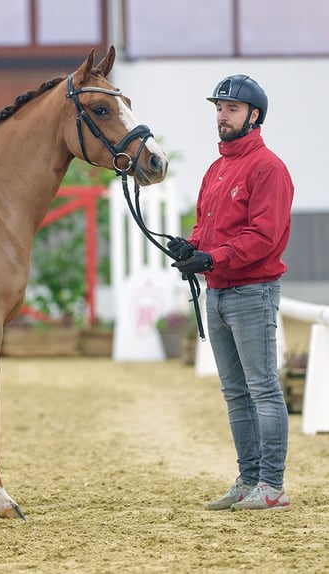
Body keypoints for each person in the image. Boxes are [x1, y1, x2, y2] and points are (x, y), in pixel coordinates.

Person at [168, 75, 294, 511]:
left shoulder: (268, 168)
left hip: (252, 292)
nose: (222, 116)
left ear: (253, 116)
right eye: (219, 108)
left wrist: (213, 258)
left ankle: (272, 486)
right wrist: (192, 246)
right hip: (219, 293)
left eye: (231, 109)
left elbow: (264, 236)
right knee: (236, 393)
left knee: (262, 389)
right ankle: (249, 479)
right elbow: (206, 227)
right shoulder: (217, 168)